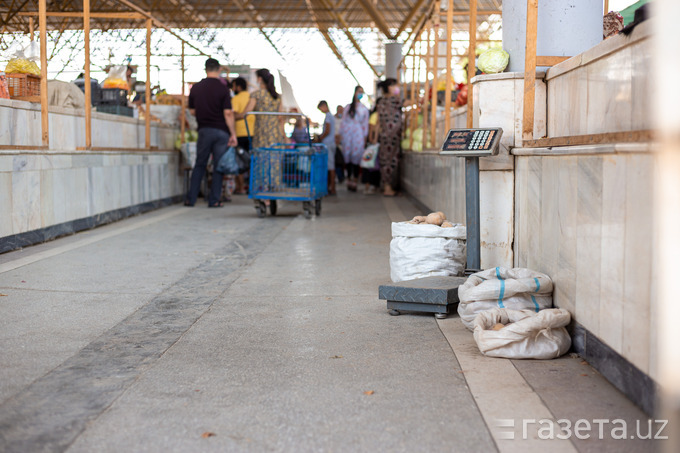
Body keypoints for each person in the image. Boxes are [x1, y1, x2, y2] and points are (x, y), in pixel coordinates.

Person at [185, 58, 237, 208]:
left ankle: (191, 199)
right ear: (219, 69)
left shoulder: (196, 88)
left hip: (204, 130)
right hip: (221, 132)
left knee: (200, 164)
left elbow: (193, 111)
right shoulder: (223, 89)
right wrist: (233, 134)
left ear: (205, 69)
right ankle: (214, 200)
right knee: (218, 166)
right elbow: (228, 113)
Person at [237, 68, 284, 149]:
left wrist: (230, 117)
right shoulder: (277, 96)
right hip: (277, 135)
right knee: (275, 159)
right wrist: (285, 137)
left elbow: (245, 114)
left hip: (262, 135)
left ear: (259, 79)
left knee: (261, 159)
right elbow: (280, 118)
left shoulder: (256, 95)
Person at [376, 78, 403, 197]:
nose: (398, 88)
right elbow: (408, 102)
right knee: (391, 161)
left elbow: (378, 121)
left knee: (385, 160)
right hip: (392, 136)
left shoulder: (381, 101)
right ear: (390, 87)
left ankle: (387, 186)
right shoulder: (394, 100)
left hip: (384, 136)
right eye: (396, 86)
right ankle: (388, 188)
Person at [339, 86, 369, 192]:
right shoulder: (348, 107)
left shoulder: (364, 109)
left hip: (358, 136)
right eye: (359, 91)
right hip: (348, 136)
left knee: (356, 158)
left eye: (362, 92)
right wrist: (341, 135)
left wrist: (365, 137)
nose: (360, 94)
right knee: (347, 158)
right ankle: (349, 179)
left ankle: (355, 180)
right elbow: (343, 123)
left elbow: (365, 124)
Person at [231, 77, 255, 194]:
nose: (232, 88)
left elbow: (233, 115)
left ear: (238, 87)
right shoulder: (252, 97)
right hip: (252, 134)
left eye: (234, 86)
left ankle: (240, 188)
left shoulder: (235, 99)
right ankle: (251, 187)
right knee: (251, 161)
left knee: (239, 162)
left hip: (240, 134)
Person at [362, 96, 382, 195]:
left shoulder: (382, 115)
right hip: (374, 143)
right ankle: (368, 186)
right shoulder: (375, 115)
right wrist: (372, 140)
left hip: (379, 143)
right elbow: (371, 129)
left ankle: (375, 186)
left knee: (376, 166)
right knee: (370, 165)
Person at [316, 100, 336, 195]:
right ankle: (329, 187)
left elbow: (327, 130)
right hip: (330, 143)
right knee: (329, 167)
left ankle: (332, 188)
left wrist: (320, 138)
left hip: (328, 143)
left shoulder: (328, 117)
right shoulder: (330, 116)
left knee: (330, 167)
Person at [334, 105, 345, 183]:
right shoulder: (333, 119)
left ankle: (342, 176)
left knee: (342, 161)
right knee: (338, 161)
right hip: (335, 143)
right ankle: (340, 176)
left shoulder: (345, 119)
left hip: (343, 142)